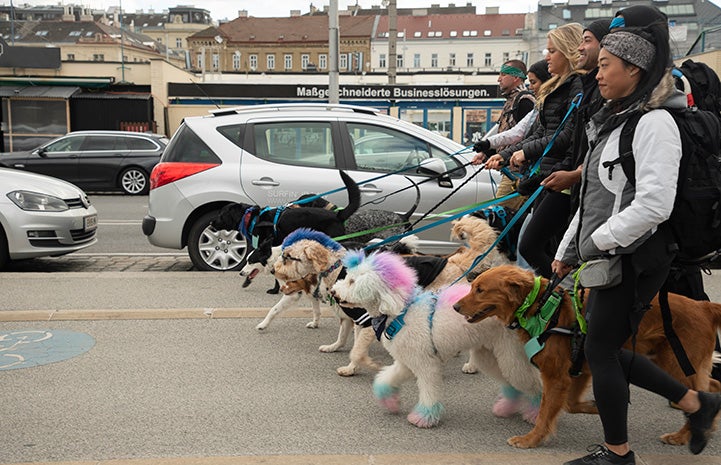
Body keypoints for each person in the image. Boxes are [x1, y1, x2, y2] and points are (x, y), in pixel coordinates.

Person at [552, 21, 721, 465]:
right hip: (609, 253)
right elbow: (593, 197)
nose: (598, 73)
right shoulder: (615, 120)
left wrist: (595, 244)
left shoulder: (655, 123)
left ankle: (619, 453)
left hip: (636, 256)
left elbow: (654, 204)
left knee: (601, 350)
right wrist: (568, 250)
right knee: (603, 348)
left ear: (636, 69)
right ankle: (695, 404)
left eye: (606, 65)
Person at [486, 23, 584, 279]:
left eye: (552, 51)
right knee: (539, 245)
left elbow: (561, 135)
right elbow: (535, 133)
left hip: (560, 175)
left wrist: (523, 153)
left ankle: (560, 296)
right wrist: (504, 154)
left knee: (531, 245)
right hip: (547, 174)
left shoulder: (574, 88)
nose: (547, 56)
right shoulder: (559, 88)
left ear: (568, 52)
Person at [471, 60, 535, 210]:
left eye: (503, 74)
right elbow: (505, 136)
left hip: (518, 172)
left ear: (516, 78)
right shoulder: (512, 101)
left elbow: (520, 137)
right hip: (510, 169)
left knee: (500, 214)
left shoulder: (524, 101)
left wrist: (503, 158)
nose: (499, 79)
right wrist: (486, 154)